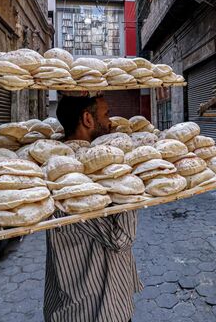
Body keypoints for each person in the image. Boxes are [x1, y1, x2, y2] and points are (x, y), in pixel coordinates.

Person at [44, 94, 142, 322]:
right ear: (88, 119)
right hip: (91, 308)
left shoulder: (54, 161)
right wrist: (131, 187)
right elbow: (121, 238)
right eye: (106, 114)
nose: (112, 123)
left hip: (88, 300)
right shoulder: (70, 178)